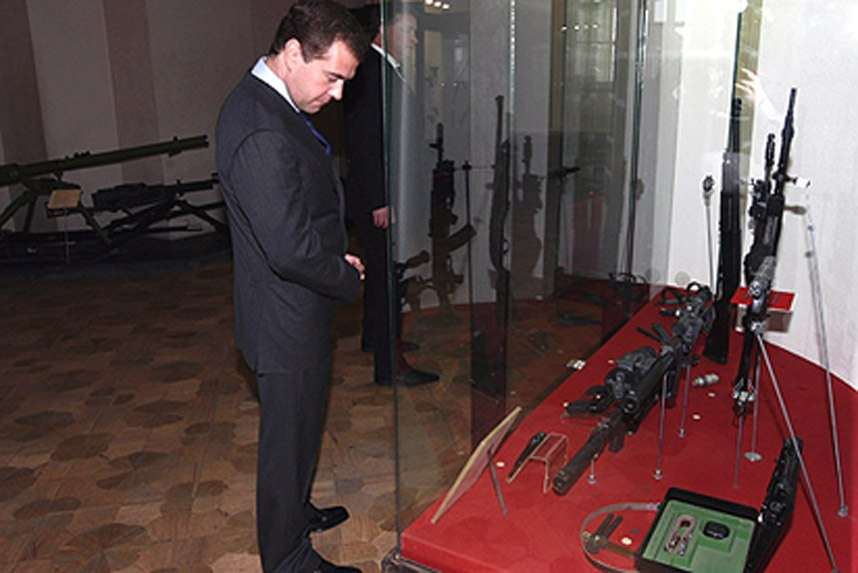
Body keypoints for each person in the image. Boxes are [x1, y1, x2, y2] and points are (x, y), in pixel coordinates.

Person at [215, 2, 368, 571]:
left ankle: (295, 513)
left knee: (303, 430)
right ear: (293, 52)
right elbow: (288, 249)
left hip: (295, 306)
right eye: (332, 77)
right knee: (286, 443)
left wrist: (328, 254)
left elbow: (292, 214)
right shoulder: (260, 125)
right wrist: (344, 277)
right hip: (283, 318)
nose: (338, 94)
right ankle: (287, 558)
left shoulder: (272, 103)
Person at [343, 5, 439, 387]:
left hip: (384, 195)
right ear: (384, 29)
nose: (415, 39)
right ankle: (390, 365)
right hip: (380, 199)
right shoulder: (371, 72)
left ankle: (375, 338)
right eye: (409, 30)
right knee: (388, 279)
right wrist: (380, 199)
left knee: (382, 273)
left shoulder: (384, 69)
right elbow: (365, 141)